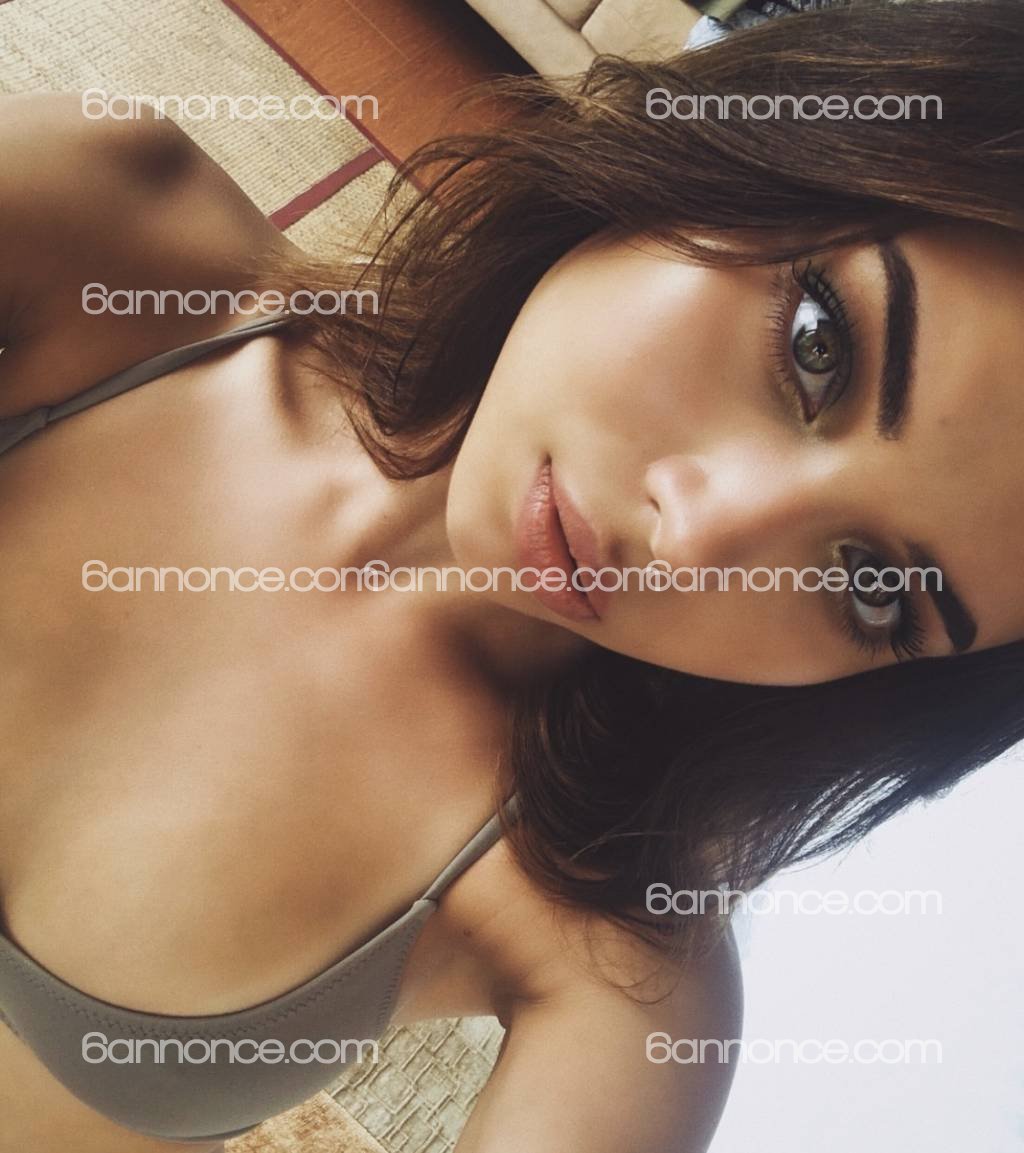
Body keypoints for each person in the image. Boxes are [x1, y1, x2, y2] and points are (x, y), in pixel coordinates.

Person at [0, 0, 1021, 1149]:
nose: (698, 539)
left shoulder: (611, 972)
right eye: (815, 347)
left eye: (872, 586)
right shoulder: (105, 235)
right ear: (745, 155)